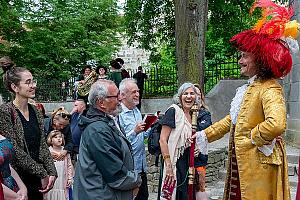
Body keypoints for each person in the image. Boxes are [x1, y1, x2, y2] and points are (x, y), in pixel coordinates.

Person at [191, 1, 298, 199]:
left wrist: (251, 137)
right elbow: (232, 120)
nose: (240, 61)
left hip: (259, 167)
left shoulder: (269, 88)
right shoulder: (248, 88)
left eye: (244, 56)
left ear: (259, 59)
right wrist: (204, 135)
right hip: (243, 165)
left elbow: (277, 124)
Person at [73, 79, 142, 200]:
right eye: (116, 96)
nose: (120, 99)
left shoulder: (108, 121)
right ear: (101, 103)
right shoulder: (98, 130)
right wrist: (136, 181)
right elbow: (115, 174)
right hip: (100, 195)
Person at [0, 65, 57, 199]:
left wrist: (52, 171)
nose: (33, 85)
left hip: (36, 177)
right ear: (15, 87)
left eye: (33, 81)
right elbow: (14, 149)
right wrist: (42, 172)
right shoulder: (5, 112)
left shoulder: (35, 111)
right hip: (18, 181)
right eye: (28, 82)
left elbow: (42, 144)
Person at [159, 82, 206, 200]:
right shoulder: (173, 111)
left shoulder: (193, 114)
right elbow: (162, 140)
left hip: (188, 164)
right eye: (185, 94)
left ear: (196, 97)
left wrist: (195, 149)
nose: (189, 96)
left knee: (188, 195)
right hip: (174, 163)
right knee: (177, 195)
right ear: (180, 97)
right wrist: (168, 166)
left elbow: (190, 140)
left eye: (192, 94)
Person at [118, 78, 149, 200]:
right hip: (128, 169)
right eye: (133, 92)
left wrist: (150, 127)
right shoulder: (118, 114)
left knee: (143, 197)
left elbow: (142, 136)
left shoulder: (136, 110)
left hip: (141, 166)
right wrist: (135, 132)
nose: (137, 94)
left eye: (138, 91)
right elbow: (119, 142)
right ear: (123, 95)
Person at [193, 85, 212, 200]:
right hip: (186, 157)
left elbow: (206, 130)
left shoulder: (205, 113)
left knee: (200, 185)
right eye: (194, 93)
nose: (196, 96)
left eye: (198, 93)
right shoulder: (183, 112)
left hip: (200, 157)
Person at [45, 130, 74, 200]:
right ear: (51, 140)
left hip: (62, 179)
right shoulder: (48, 151)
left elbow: (69, 166)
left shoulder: (65, 152)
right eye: (55, 137)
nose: (59, 138)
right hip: (51, 180)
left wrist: (70, 178)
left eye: (60, 137)